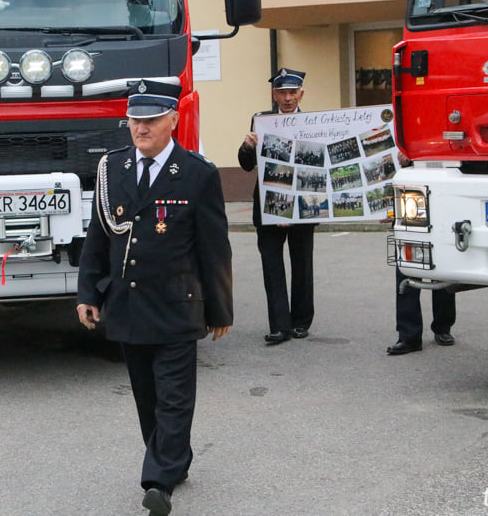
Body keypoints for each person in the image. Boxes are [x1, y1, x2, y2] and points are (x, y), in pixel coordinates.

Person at [76, 80, 233, 516]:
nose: (140, 128)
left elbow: (214, 247)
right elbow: (99, 237)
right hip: (128, 306)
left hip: (178, 305)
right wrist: (88, 292)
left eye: (150, 119)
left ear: (173, 121)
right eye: (134, 119)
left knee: (174, 397)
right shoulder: (113, 169)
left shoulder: (198, 173)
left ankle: (158, 481)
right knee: (148, 398)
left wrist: (219, 308)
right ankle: (173, 460)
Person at [238, 68, 315, 345]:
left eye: (292, 92)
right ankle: (279, 325)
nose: (287, 98)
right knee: (272, 266)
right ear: (274, 94)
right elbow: (247, 165)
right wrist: (247, 147)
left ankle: (301, 321)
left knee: (302, 264)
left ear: (301, 94)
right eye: (282, 92)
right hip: (269, 206)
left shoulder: (312, 122)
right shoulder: (261, 121)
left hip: (303, 205)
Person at [385, 151, 456, 355]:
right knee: (408, 264)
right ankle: (409, 335)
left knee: (442, 263)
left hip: (444, 187)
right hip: (413, 191)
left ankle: (443, 326)